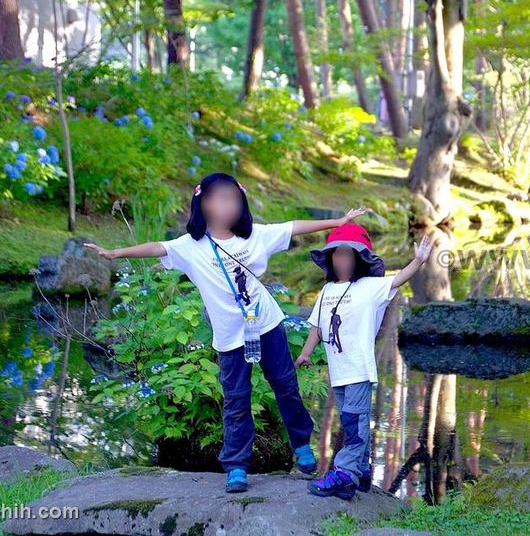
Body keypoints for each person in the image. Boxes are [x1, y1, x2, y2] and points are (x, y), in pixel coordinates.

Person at [83, 172, 367, 493]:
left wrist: (338, 221)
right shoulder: (190, 247)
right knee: (236, 399)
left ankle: (301, 443)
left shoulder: (255, 235)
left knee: (285, 386)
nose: (227, 205)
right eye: (219, 198)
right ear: (202, 202)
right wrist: (116, 253)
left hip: (267, 324)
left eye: (233, 198)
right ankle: (236, 466)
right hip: (231, 338)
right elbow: (155, 248)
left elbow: (294, 226)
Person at [295, 222, 432, 499]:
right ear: (331, 258)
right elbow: (317, 328)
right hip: (339, 371)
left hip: (358, 369)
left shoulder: (370, 287)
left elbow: (398, 279)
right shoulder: (326, 292)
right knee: (351, 422)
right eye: (337, 254)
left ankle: (344, 474)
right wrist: (306, 353)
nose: (342, 259)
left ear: (358, 258)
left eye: (348, 254)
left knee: (353, 421)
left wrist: (418, 260)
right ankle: (362, 469)